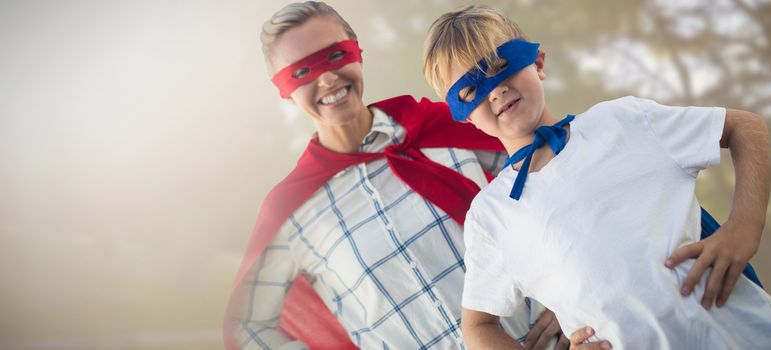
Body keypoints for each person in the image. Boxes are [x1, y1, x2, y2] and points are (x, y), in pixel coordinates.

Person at [422, 5, 771, 349]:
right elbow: (477, 326)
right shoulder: (492, 217)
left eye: (500, 66)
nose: (495, 90)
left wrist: (744, 228)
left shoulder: (623, 121)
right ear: (465, 117)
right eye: (471, 92)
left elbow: (746, 127)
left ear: (538, 63)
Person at [223, 2, 565, 349]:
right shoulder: (293, 213)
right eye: (301, 72)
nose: (326, 78)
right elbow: (247, 326)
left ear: (358, 54)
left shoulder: (450, 126)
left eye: (334, 55)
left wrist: (570, 290)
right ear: (285, 91)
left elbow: (561, 184)